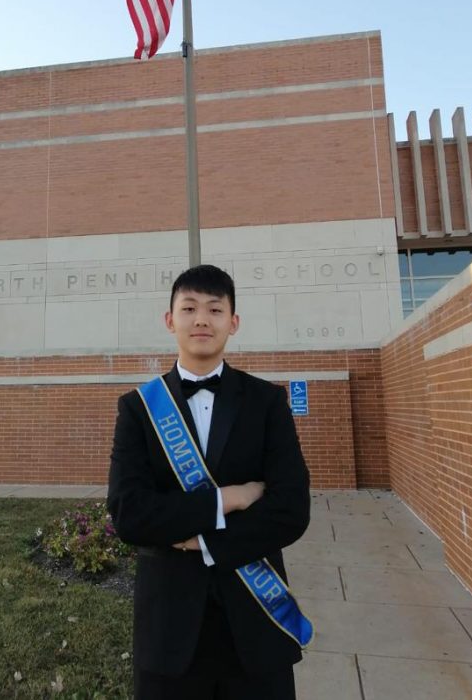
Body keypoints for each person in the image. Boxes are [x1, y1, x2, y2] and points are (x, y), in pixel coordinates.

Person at [107, 264, 311, 699]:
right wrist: (228, 499)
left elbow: (291, 509)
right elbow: (130, 514)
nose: (202, 319)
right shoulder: (139, 409)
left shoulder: (267, 402)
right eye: (190, 308)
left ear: (233, 323)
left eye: (215, 309)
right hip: (169, 631)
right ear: (170, 320)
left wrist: (202, 541)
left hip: (256, 626)